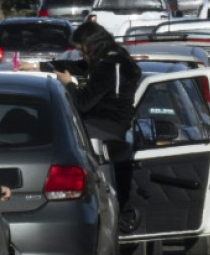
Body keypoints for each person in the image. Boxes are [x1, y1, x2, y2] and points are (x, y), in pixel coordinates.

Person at [20, 21, 141, 228]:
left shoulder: (107, 67)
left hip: (105, 126)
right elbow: (77, 67)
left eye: (80, 50)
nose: (79, 55)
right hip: (113, 125)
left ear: (90, 45)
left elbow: (83, 103)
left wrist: (68, 84)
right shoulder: (114, 60)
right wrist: (38, 67)